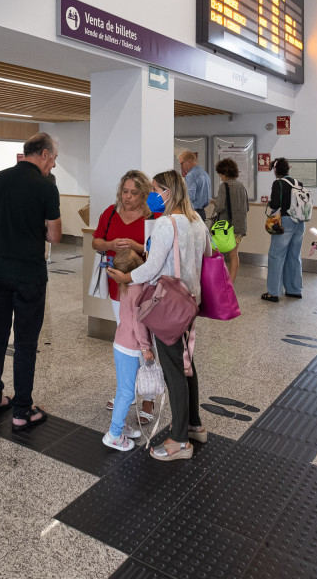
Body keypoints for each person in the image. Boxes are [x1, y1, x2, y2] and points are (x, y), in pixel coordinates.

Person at [108, 170, 208, 461]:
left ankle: (179, 442)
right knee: (187, 363)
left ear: (167, 192)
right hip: (190, 303)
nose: (152, 195)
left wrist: (126, 276)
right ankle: (194, 424)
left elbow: (152, 269)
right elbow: (206, 255)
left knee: (174, 369)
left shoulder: (166, 223)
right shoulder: (197, 220)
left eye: (154, 189)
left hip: (168, 307)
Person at [0, 133, 62, 432]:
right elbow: (54, 236)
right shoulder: (46, 187)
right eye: (52, 158)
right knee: (25, 343)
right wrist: (33, 223)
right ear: (42, 154)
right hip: (29, 274)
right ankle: (22, 411)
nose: (53, 164)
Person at [91, 169, 155, 424]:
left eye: (134, 193)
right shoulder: (110, 212)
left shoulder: (154, 216)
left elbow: (159, 252)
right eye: (125, 191)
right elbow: (96, 242)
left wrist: (137, 246)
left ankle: (149, 395)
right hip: (117, 287)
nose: (127, 197)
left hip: (145, 288)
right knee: (125, 340)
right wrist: (109, 245)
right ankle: (126, 392)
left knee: (145, 342)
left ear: (144, 194)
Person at [102, 247, 148, 451]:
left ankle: (120, 427)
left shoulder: (126, 287)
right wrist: (146, 348)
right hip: (130, 347)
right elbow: (139, 324)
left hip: (120, 343)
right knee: (127, 394)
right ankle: (114, 434)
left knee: (123, 390)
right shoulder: (138, 289)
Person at [263, 157, 306, 302]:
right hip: (299, 223)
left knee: (276, 256)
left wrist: (270, 202)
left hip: (285, 222)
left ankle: (273, 292)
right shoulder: (297, 183)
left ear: (276, 170)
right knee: (294, 256)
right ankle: (294, 290)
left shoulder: (278, 183)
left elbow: (275, 204)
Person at [210, 158, 250, 282]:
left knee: (214, 252)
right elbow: (246, 207)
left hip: (224, 227)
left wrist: (214, 203)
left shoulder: (224, 186)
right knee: (233, 254)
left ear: (224, 173)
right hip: (239, 226)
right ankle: (230, 282)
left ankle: (215, 279)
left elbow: (220, 207)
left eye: (220, 174)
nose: (220, 176)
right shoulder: (241, 186)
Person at [178, 150, 211, 222]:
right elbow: (208, 198)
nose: (181, 167)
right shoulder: (205, 174)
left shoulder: (190, 175)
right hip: (202, 212)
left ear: (189, 161)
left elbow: (189, 197)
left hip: (192, 213)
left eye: (182, 163)